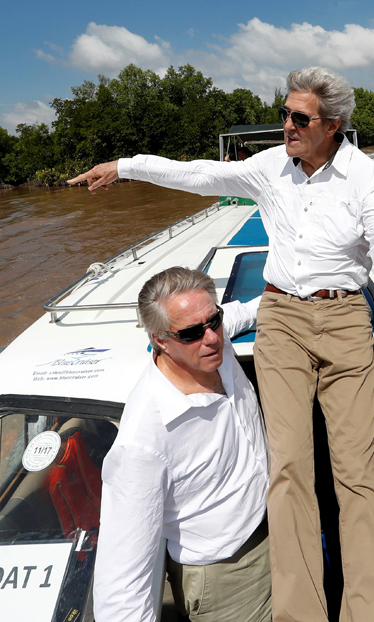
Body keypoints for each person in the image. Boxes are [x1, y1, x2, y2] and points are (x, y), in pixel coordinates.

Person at [70, 67, 374, 622]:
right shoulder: (268, 167)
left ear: (333, 125)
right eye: (284, 113)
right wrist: (125, 167)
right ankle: (301, 614)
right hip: (281, 317)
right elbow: (199, 176)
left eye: (299, 118)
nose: (286, 126)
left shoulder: (365, 177)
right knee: (290, 468)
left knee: (355, 475)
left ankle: (366, 612)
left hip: (346, 316)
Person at [93, 267, 268, 622]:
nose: (212, 338)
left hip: (274, 527)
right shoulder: (142, 443)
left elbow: (238, 313)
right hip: (227, 577)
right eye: (190, 332)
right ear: (159, 340)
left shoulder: (210, 341)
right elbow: (124, 575)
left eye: (213, 321)